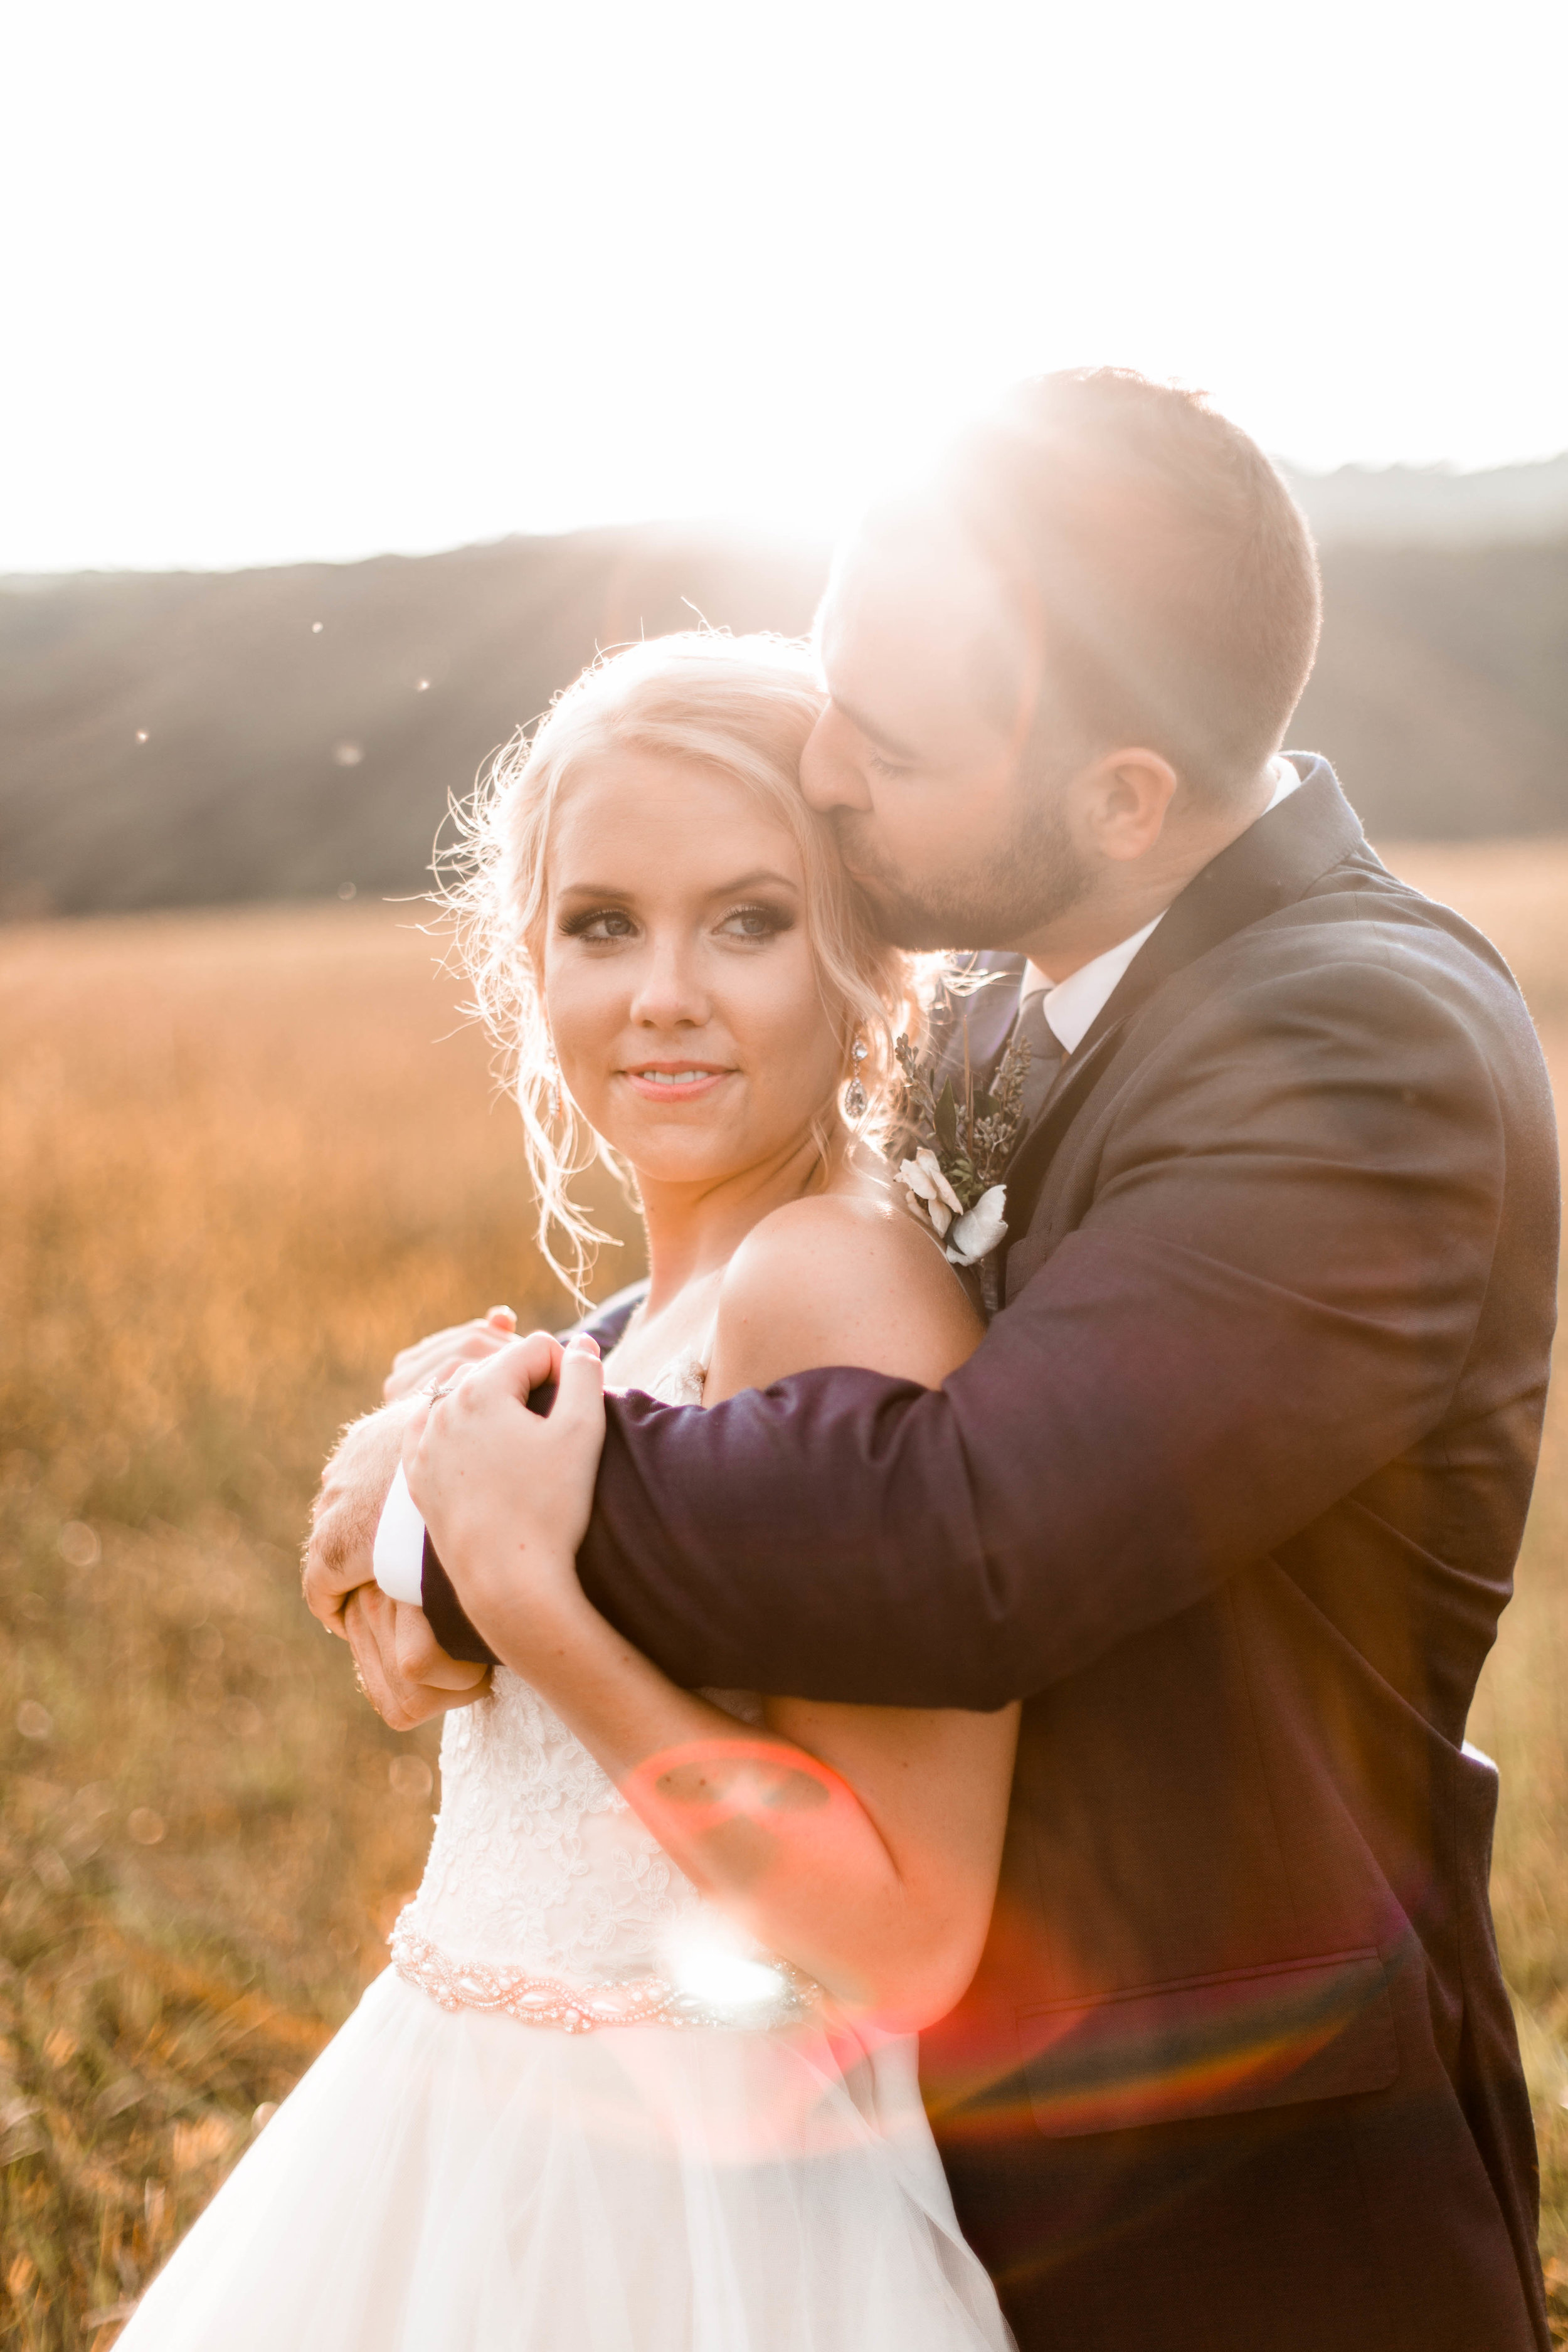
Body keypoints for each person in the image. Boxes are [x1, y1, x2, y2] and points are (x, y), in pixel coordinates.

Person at [309, 369, 1559, 2352]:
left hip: (1240, 2178)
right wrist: (494, 1399)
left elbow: (968, 1529)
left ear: (1119, 796)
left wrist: (460, 1532)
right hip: (940, 2141)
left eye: (885, 737)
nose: (820, 759)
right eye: (829, 674)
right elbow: (774, 1332)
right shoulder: (1011, 1006)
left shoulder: (1356, 1046)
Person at [119, 635, 1019, 2352]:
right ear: (525, 961)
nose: (661, 990)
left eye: (747, 920)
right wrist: (402, 1544)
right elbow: (443, 1654)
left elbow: (906, 1933)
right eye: (602, 923)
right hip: (462, 2126)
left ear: (860, 960)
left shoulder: (830, 1286)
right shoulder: (643, 1319)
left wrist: (530, 1598)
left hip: (699, 2220)